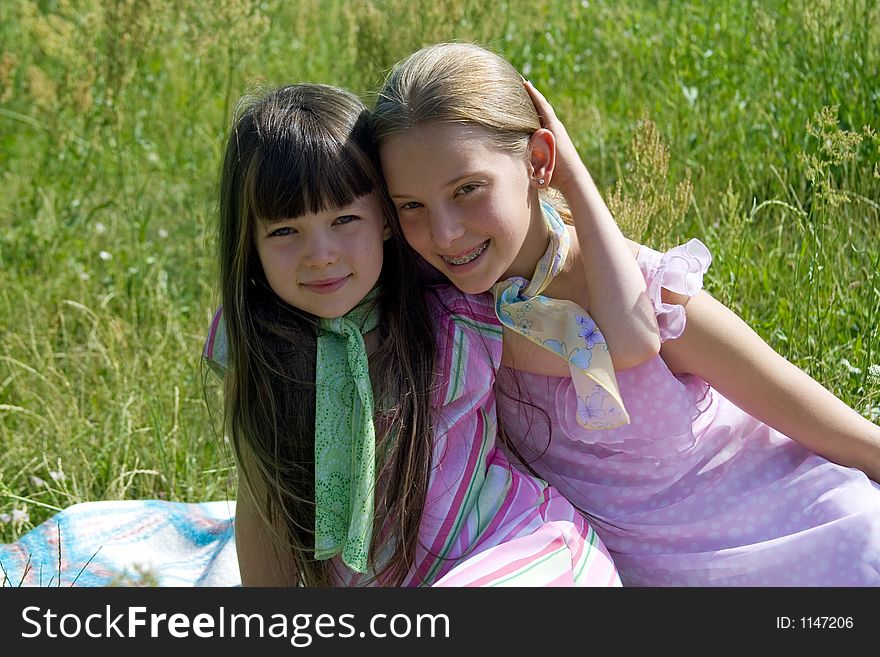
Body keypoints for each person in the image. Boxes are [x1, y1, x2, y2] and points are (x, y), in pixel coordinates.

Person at [371, 42, 880, 586]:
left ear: (540, 162)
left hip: (795, 529)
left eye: (468, 189)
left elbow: (803, 410)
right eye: (411, 206)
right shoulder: (445, 315)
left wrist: (575, 179)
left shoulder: (646, 291)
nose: (445, 232)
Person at [202, 82, 622, 586]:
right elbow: (261, 498)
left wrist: (573, 181)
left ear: (385, 218)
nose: (321, 254)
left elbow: (609, 343)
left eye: (345, 219)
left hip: (520, 551)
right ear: (250, 240)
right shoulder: (257, 341)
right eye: (285, 231)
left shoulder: (454, 313)